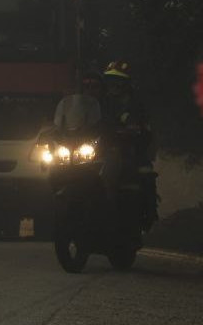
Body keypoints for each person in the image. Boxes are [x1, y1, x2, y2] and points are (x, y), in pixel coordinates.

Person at [98, 60, 158, 229]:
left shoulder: (136, 104)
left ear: (126, 83)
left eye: (118, 80)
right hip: (103, 149)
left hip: (131, 150)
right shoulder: (102, 102)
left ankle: (148, 214)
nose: (113, 84)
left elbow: (145, 129)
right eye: (110, 80)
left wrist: (135, 131)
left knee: (146, 173)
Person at [52, 72, 103, 137]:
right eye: (86, 86)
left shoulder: (108, 105)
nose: (90, 89)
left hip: (97, 139)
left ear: (101, 88)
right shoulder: (74, 105)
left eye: (95, 86)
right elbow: (60, 121)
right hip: (74, 139)